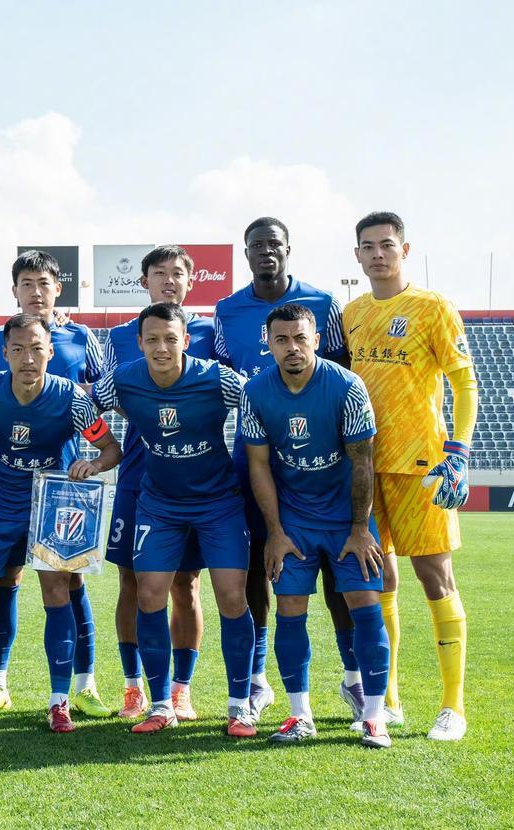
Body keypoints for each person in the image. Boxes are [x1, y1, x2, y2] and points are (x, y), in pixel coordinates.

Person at [0, 250, 111, 720]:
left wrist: (94, 460)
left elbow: (104, 398)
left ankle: (80, 686)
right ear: (15, 291)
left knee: (68, 586)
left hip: (61, 489)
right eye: (27, 283)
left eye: (44, 283)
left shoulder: (83, 340)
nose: (36, 291)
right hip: (2, 489)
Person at [211, 217, 362, 721]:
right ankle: (257, 681)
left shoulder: (323, 303)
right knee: (258, 563)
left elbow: (340, 374)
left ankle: (354, 678)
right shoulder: (226, 310)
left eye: (274, 244)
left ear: (288, 249)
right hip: (255, 457)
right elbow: (222, 377)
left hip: (320, 465)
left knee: (339, 570)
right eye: (256, 245)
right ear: (246, 253)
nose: (266, 252)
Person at [91, 302, 256, 736]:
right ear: (140, 342)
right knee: (148, 594)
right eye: (152, 339)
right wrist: (104, 449)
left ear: (185, 340)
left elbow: (262, 402)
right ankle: (161, 704)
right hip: (159, 504)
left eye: (170, 339)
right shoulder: (123, 380)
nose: (161, 348)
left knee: (231, 597)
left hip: (218, 503)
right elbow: (82, 407)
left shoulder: (217, 378)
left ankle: (240, 706)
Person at [345, 211, 477, 741]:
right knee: (378, 580)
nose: (377, 253)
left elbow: (465, 383)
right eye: (368, 246)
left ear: (405, 250)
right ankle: (389, 700)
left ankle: (452, 706)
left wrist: (458, 451)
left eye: (387, 244)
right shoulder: (352, 313)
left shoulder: (433, 307)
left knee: (435, 578)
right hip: (363, 467)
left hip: (422, 466)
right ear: (357, 255)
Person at [239, 303, 392, 748]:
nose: (292, 347)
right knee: (290, 608)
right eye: (282, 339)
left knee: (365, 604)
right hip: (294, 521)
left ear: (317, 341)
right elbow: (259, 465)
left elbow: (363, 462)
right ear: (269, 344)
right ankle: (299, 714)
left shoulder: (347, 386)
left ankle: (374, 716)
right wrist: (275, 532)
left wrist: (360, 529)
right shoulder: (255, 392)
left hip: (347, 518)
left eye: (300, 338)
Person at [103, 245, 213, 722]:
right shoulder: (119, 337)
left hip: (195, 476)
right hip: (137, 471)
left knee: (186, 583)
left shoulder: (209, 332)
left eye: (177, 273)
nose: (169, 280)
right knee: (131, 579)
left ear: (191, 280)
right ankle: (133, 686)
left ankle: (181, 690)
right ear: (143, 281)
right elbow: (104, 396)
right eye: (159, 273)